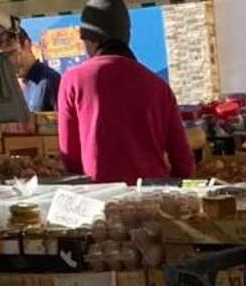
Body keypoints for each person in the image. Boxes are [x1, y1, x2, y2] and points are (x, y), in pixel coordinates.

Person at [56, 0, 196, 183]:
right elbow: (184, 162)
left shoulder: (73, 81)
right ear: (126, 37)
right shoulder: (158, 86)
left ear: (90, 38)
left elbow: (71, 157)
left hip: (99, 199)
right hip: (152, 198)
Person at [0, 21, 62, 113]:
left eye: (11, 54)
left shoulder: (49, 81)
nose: (9, 62)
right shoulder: (24, 85)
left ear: (27, 45)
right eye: (2, 58)